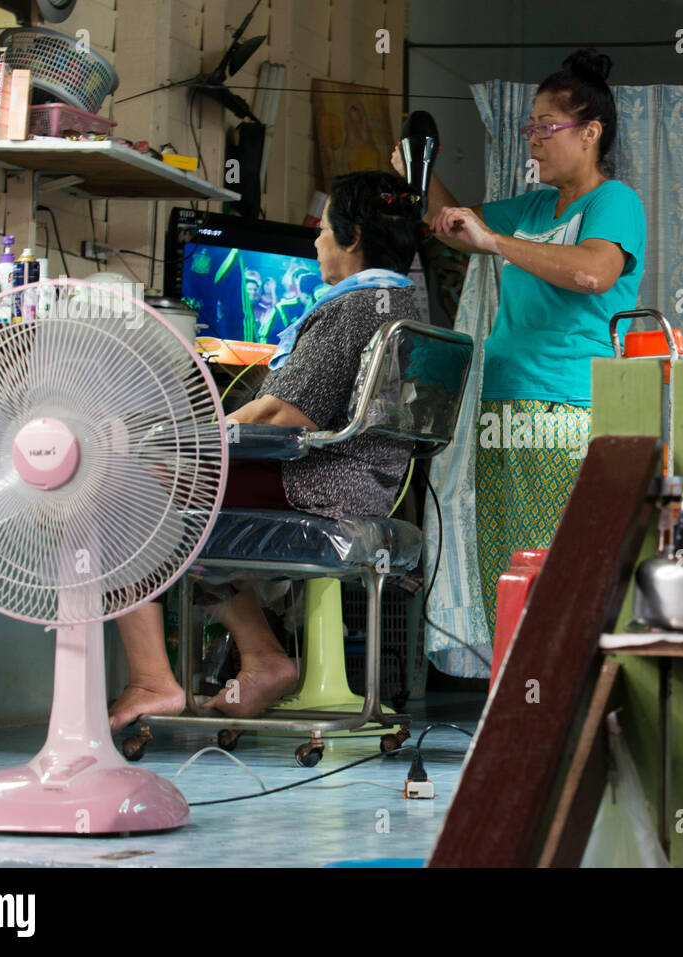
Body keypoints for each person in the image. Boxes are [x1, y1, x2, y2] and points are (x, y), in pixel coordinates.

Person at [109, 170, 421, 731]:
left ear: (352, 238)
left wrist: (200, 437)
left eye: (324, 231)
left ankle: (152, 680)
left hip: (316, 482)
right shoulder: (399, 301)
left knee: (121, 487)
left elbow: (282, 414)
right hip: (361, 481)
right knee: (179, 498)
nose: (317, 243)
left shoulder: (353, 308)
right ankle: (264, 658)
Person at [391, 47, 646, 634]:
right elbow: (456, 225)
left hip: (568, 405)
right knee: (508, 562)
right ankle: (515, 688)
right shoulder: (532, 206)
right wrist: (418, 171)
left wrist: (496, 244)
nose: (532, 139)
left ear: (590, 133)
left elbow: (593, 272)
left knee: (558, 559)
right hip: (501, 405)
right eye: (529, 126)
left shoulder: (614, 202)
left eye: (546, 126)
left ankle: (558, 692)